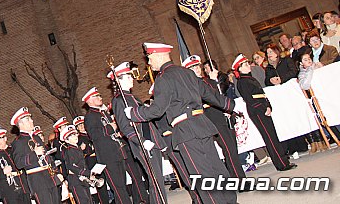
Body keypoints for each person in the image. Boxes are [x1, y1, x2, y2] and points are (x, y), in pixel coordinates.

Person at [125, 42, 237, 204]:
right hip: (202, 124)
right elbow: (209, 94)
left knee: (200, 174)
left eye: (149, 58)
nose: (148, 63)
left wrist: (134, 113)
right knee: (216, 167)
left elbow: (157, 110)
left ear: (158, 55)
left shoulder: (163, 79)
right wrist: (231, 105)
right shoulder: (187, 72)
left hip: (185, 131)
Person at [183, 56, 246, 187]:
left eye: (197, 66)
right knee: (229, 150)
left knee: (232, 148)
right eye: (192, 67)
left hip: (222, 115)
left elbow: (220, 95)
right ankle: (240, 182)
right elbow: (206, 98)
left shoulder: (205, 81)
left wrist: (216, 82)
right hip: (212, 118)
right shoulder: (191, 85)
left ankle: (236, 178)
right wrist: (213, 81)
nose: (197, 69)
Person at [110, 62, 167, 204]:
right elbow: (124, 127)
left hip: (151, 141)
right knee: (155, 181)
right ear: (119, 80)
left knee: (157, 181)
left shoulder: (133, 98)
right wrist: (142, 141)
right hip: (142, 144)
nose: (132, 79)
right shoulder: (119, 100)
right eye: (128, 77)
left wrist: (158, 141)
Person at [83, 87, 148, 204]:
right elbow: (94, 135)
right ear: (89, 101)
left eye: (99, 95)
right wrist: (110, 128)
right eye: (96, 96)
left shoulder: (103, 113)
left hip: (118, 152)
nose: (100, 98)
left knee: (123, 184)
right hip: (107, 156)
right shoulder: (90, 116)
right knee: (118, 188)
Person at [232, 54, 297, 172]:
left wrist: (268, 105)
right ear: (239, 69)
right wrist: (263, 108)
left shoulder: (249, 78)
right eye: (245, 64)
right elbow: (250, 99)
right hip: (257, 111)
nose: (248, 66)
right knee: (270, 137)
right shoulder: (242, 81)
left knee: (272, 135)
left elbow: (261, 94)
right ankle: (281, 163)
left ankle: (283, 160)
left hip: (262, 108)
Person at [10, 107, 61, 204]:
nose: (32, 120)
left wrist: (57, 172)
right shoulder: (18, 142)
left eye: (30, 118)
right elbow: (19, 163)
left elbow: (48, 157)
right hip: (37, 180)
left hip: (50, 176)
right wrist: (34, 154)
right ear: (21, 124)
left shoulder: (36, 138)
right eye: (28, 119)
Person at [73, 116, 110, 204]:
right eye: (79, 125)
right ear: (77, 128)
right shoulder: (79, 139)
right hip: (91, 161)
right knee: (100, 186)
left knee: (106, 182)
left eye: (82, 124)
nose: (81, 126)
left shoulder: (90, 134)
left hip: (99, 159)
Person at [0, 129, 31, 204]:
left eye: (0, 139)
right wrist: (2, 172)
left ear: (5, 138)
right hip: (9, 191)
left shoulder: (13, 150)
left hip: (23, 186)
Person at [297, 50, 328, 153]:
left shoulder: (318, 65)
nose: (309, 61)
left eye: (309, 59)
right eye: (305, 60)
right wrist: (310, 70)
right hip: (316, 98)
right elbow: (304, 85)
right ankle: (321, 140)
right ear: (301, 63)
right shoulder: (302, 73)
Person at [60, 124, 93, 204]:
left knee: (89, 201)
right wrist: (87, 173)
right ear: (67, 140)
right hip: (76, 181)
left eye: (75, 134)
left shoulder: (77, 149)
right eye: (71, 136)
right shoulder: (69, 150)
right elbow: (72, 167)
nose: (75, 136)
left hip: (82, 179)